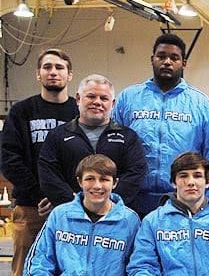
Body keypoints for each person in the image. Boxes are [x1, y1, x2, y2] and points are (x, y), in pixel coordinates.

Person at [1, 49, 77, 276]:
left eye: (60, 67)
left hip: (69, 210)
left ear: (69, 75)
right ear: (38, 74)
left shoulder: (78, 110)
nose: (53, 72)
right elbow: (9, 159)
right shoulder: (22, 111)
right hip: (31, 208)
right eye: (47, 67)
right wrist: (40, 194)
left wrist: (63, 199)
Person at [113, 33, 209, 215]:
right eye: (161, 56)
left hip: (183, 199)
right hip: (132, 199)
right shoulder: (128, 98)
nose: (167, 62)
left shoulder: (201, 103)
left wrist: (208, 200)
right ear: (152, 59)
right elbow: (113, 149)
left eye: (174, 58)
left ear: (183, 63)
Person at [38, 74, 146, 213]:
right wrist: (73, 203)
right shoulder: (58, 135)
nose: (97, 102)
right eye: (91, 96)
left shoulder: (128, 137)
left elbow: (136, 173)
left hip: (115, 216)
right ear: (78, 99)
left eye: (104, 98)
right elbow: (48, 173)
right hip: (69, 214)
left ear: (112, 104)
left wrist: (109, 203)